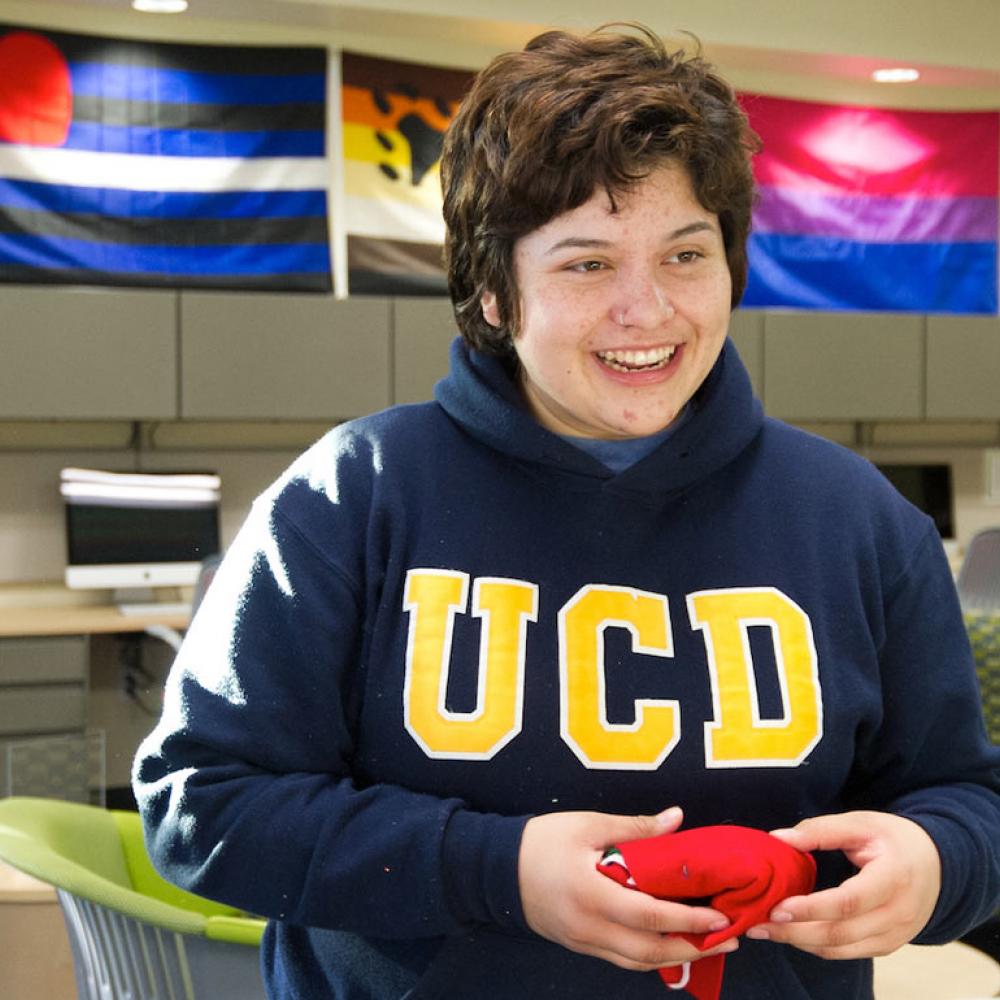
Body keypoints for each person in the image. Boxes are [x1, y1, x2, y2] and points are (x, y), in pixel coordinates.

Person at [133, 23, 1000, 1000]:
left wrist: (938, 862)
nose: (647, 308)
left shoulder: (862, 524)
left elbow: (968, 795)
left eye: (684, 254)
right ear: (494, 291)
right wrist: (498, 873)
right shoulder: (350, 499)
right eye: (587, 264)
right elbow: (202, 808)